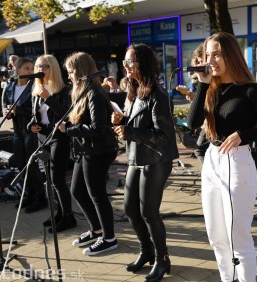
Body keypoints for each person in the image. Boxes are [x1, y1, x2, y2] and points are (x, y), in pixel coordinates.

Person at [186, 32, 257, 282]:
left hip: (237, 162)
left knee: (238, 236)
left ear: (231, 55)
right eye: (208, 54)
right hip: (213, 159)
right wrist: (202, 84)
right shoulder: (210, 89)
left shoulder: (250, 90)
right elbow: (192, 123)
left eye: (217, 54)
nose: (211, 59)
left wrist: (243, 134)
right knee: (216, 234)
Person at [112, 43, 179, 281]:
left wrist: (129, 132)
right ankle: (146, 251)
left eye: (131, 62)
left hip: (157, 159)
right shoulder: (133, 90)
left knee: (149, 212)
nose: (126, 66)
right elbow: (136, 122)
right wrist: (122, 119)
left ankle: (163, 259)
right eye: (125, 62)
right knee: (130, 209)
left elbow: (164, 136)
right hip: (136, 156)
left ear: (144, 64)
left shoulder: (157, 95)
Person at [59, 52, 118, 255]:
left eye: (70, 72)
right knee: (77, 190)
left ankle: (109, 238)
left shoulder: (95, 92)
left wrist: (69, 130)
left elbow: (98, 127)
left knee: (97, 194)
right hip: (86, 149)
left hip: (99, 150)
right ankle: (96, 229)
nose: (68, 77)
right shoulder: (82, 91)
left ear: (81, 71)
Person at [28, 54, 76, 233]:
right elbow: (36, 115)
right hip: (43, 136)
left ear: (54, 68)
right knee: (48, 179)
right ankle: (58, 213)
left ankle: (68, 217)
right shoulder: (36, 88)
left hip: (59, 136)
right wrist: (31, 125)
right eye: (39, 66)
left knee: (57, 179)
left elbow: (67, 114)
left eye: (45, 66)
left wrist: (48, 97)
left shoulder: (64, 90)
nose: (41, 70)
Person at [3, 57, 47, 213]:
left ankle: (41, 198)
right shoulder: (10, 87)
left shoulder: (33, 86)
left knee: (32, 165)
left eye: (31, 68)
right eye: (27, 68)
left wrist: (17, 111)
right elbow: (6, 107)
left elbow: (37, 111)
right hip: (17, 132)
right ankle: (30, 194)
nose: (30, 71)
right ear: (18, 69)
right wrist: (8, 113)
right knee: (21, 165)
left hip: (30, 131)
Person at [187, 43, 208, 164]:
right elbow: (192, 123)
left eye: (202, 61)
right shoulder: (200, 79)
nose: (201, 66)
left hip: (210, 123)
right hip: (206, 122)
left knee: (200, 149)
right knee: (200, 149)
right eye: (198, 62)